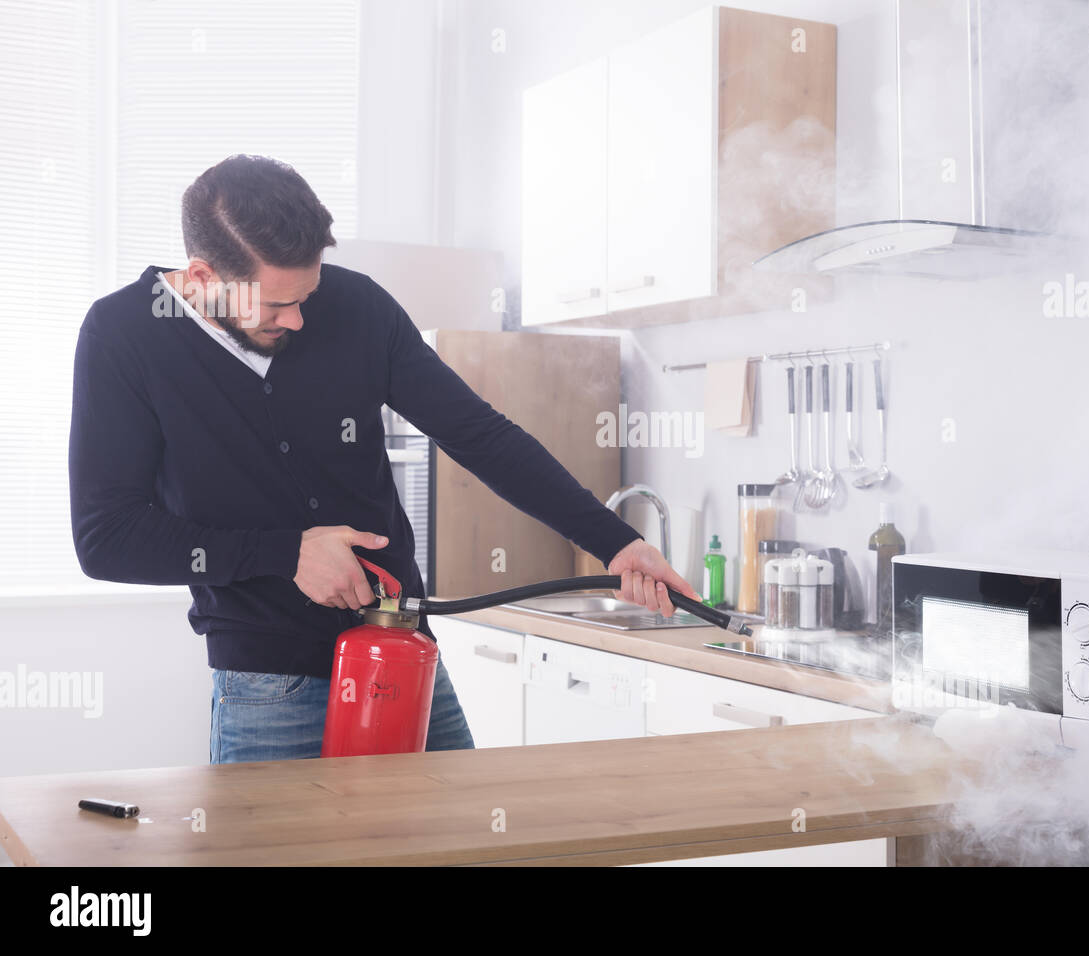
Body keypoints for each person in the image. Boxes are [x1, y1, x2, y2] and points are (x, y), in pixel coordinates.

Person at [68, 154, 696, 764]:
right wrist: (284, 553)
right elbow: (106, 538)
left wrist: (614, 541)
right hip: (270, 680)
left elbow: (479, 435)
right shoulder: (123, 335)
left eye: (308, 294)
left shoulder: (358, 306)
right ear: (204, 278)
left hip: (401, 651)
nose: (300, 320)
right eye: (275, 307)